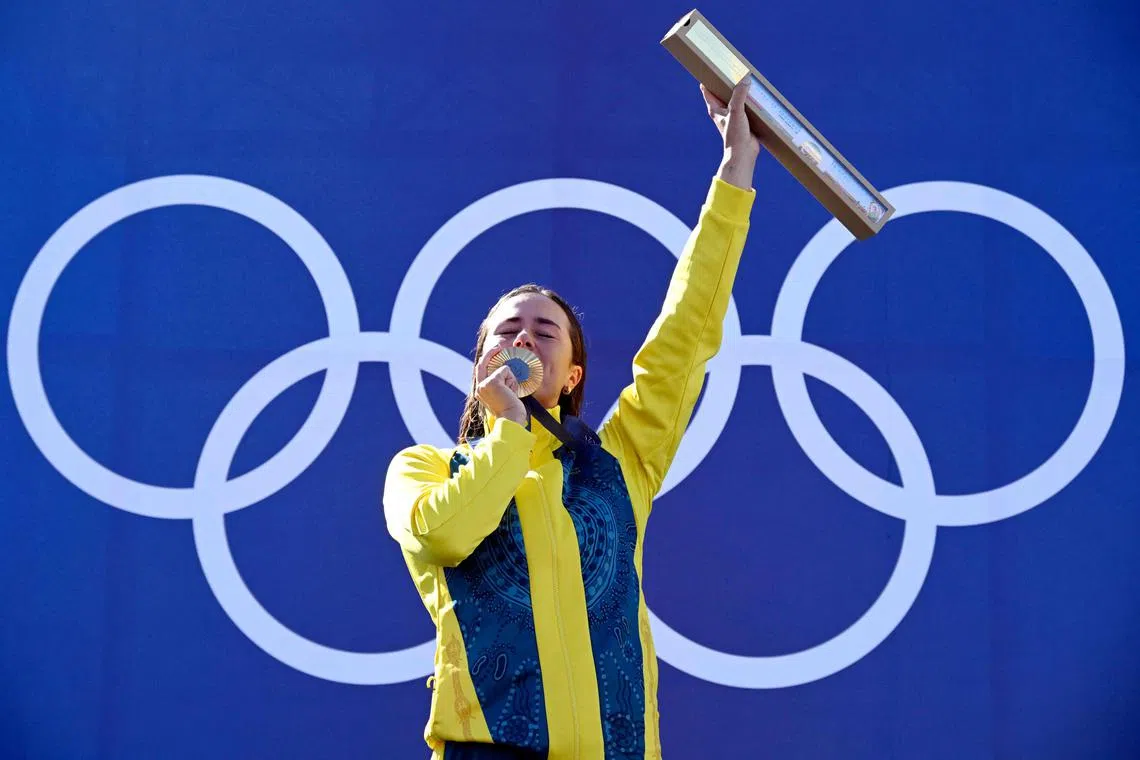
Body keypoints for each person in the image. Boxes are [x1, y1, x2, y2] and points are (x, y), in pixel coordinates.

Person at [383, 76, 760, 760]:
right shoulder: (425, 468)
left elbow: (686, 334)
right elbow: (445, 537)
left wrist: (735, 171)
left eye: (544, 332)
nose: (523, 339)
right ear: (479, 366)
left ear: (573, 376)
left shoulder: (619, 461)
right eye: (507, 332)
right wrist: (507, 432)